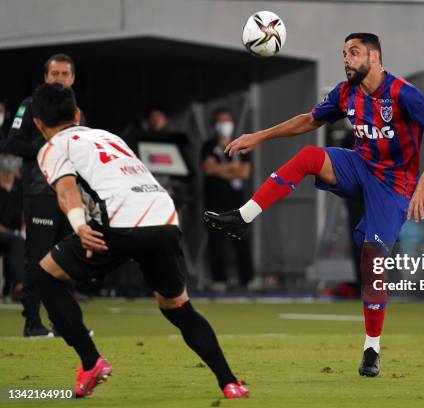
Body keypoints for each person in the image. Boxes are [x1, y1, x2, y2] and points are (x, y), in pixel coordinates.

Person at [204, 33, 424, 377]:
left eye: (353, 53)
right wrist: (260, 136)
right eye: (343, 53)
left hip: (394, 186)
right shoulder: (345, 92)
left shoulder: (402, 93)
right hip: (360, 167)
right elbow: (309, 120)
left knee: (372, 262)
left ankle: (372, 348)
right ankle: (242, 217)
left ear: (375, 56)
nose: (346, 59)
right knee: (310, 155)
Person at [31, 83, 248, 399]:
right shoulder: (108, 136)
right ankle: (229, 382)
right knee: (177, 306)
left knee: (42, 276)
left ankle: (90, 362)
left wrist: (79, 226)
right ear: (77, 114)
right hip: (163, 216)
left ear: (38, 123)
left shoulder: (52, 148)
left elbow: (66, 190)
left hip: (120, 222)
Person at [1, 54, 80, 337]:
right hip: (39, 193)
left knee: (68, 257)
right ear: (45, 77)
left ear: (72, 79)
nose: (59, 79)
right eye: (54, 74)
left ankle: (63, 322)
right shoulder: (29, 107)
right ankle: (32, 322)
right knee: (37, 257)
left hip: (70, 195)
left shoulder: (75, 111)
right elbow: (11, 143)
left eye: (64, 74)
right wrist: (47, 144)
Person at [201, 108, 254, 291]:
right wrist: (232, 168)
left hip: (237, 201)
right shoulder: (208, 146)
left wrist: (220, 168)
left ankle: (246, 279)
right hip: (215, 199)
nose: (224, 125)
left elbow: (245, 172)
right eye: (220, 121)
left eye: (227, 121)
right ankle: (219, 279)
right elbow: (208, 169)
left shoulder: (240, 145)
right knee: (216, 240)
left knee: (241, 238)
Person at [0, 154, 25, 300]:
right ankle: (19, 285)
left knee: (20, 242)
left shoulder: (20, 185)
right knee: (16, 241)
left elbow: (25, 212)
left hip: (14, 235)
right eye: (5, 156)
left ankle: (18, 287)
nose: (9, 161)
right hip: (4, 233)